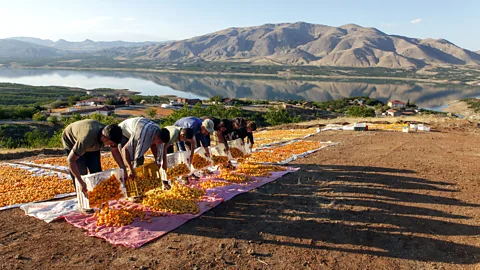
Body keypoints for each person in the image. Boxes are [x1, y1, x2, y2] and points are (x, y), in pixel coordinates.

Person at [62, 119, 126, 198]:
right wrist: (81, 182)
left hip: (91, 140)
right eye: (111, 143)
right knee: (81, 171)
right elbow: (71, 160)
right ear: (103, 138)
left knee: (96, 171)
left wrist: (123, 169)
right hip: (71, 139)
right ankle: (83, 198)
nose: (111, 145)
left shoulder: (110, 133)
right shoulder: (86, 139)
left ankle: (98, 198)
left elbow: (115, 151)